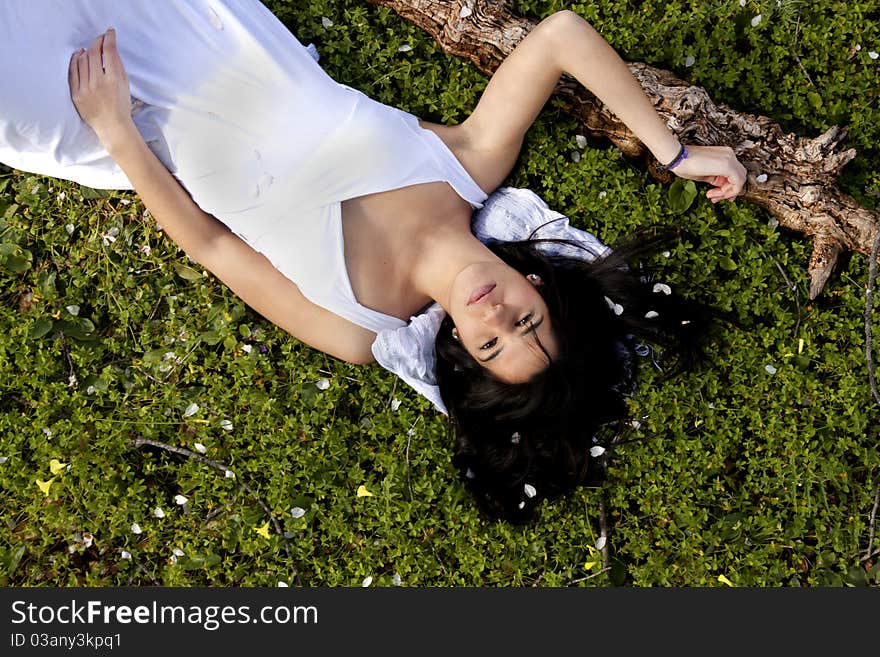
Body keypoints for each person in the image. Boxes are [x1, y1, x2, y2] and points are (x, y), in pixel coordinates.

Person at [1, 1, 746, 521]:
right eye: (526, 318)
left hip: (109, 109)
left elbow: (212, 243)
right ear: (540, 281)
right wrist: (671, 150)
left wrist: (114, 129)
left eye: (492, 342)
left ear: (462, 351)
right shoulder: (469, 161)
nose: (495, 314)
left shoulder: (359, 327)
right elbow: (559, 36)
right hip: (198, 23)